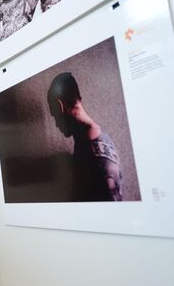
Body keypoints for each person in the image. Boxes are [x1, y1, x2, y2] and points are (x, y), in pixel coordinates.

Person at [47, 72, 123, 201]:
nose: (56, 125)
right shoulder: (87, 143)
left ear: (60, 106)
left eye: (54, 116)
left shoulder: (95, 151)